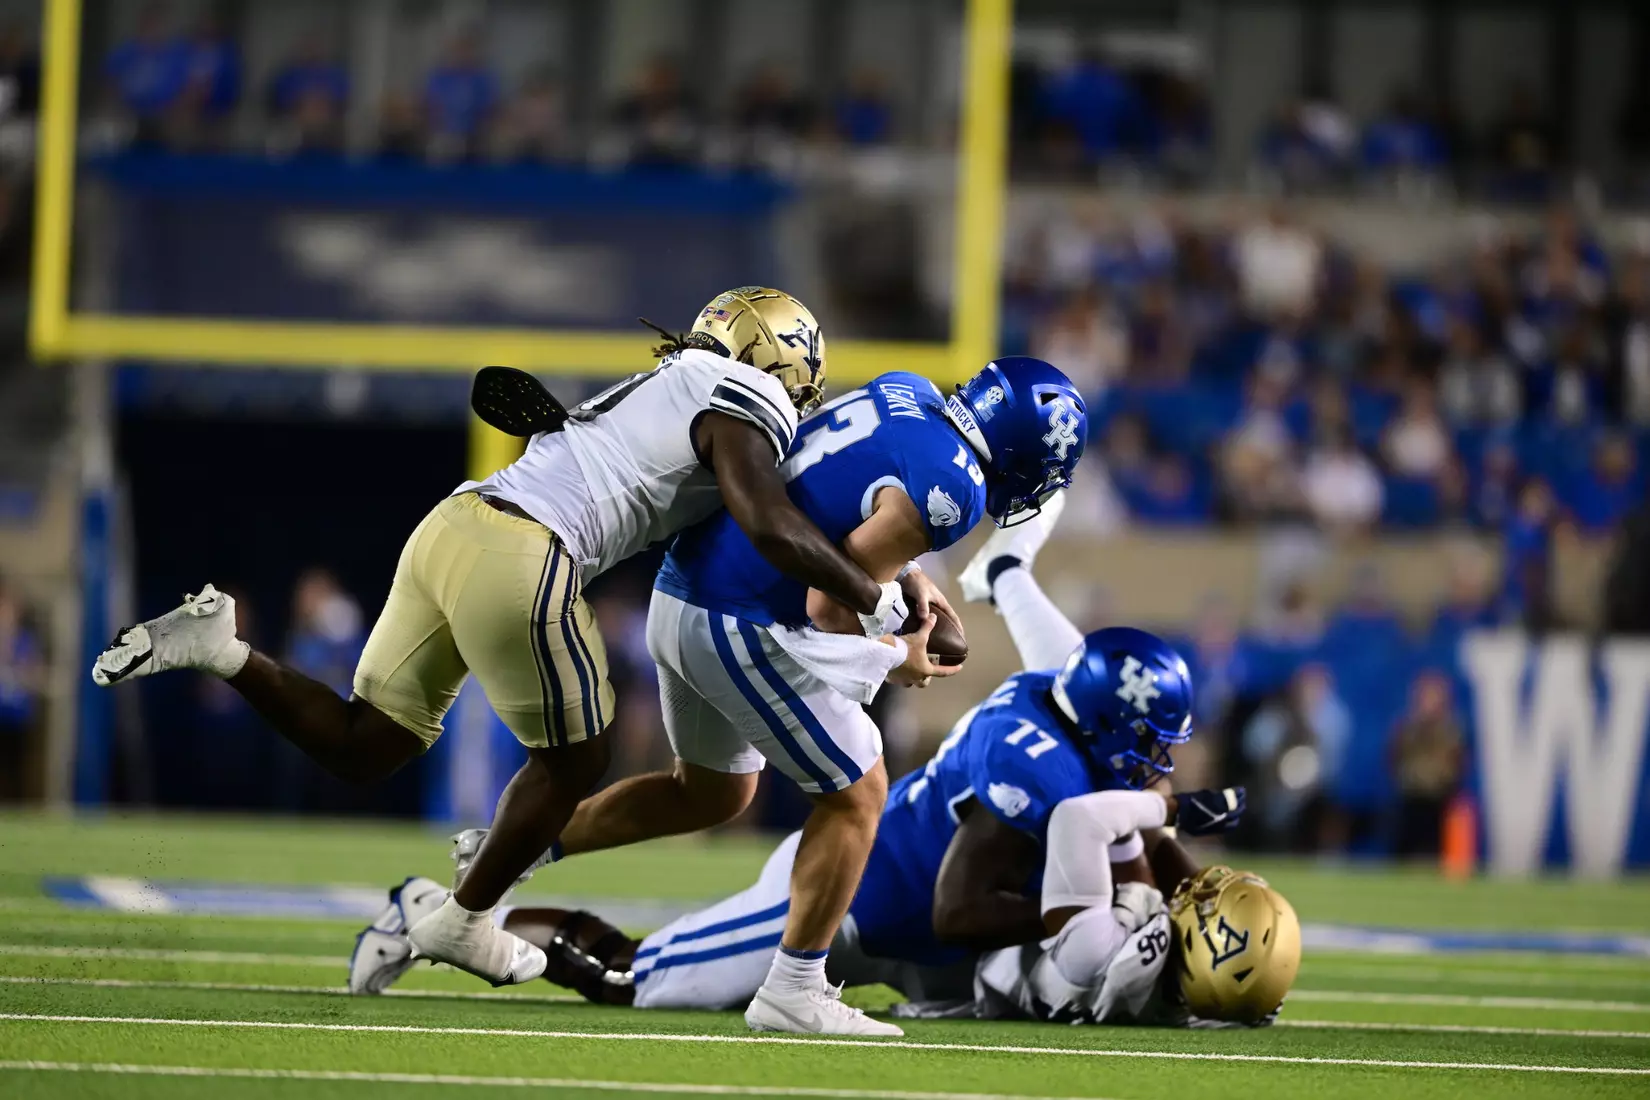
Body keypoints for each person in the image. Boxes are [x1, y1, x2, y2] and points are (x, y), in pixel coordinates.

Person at [92, 287, 944, 988]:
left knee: (366, 743)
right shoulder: (741, 400)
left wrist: (898, 577)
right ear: (783, 364)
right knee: (578, 760)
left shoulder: (674, 383)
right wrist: (881, 600)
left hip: (453, 524)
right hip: (526, 549)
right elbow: (766, 521)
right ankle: (465, 917)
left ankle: (223, 650)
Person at [353, 488, 1242, 1032]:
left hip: (910, 941)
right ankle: (433, 914)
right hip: (845, 903)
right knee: (633, 976)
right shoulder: (1034, 760)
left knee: (1062, 987)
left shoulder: (1071, 705)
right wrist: (1094, 915)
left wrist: (1190, 899)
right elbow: (961, 908)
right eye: (1152, 741)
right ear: (1107, 724)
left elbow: (1133, 830)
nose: (1162, 761)